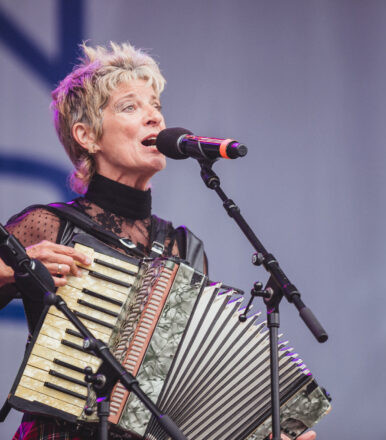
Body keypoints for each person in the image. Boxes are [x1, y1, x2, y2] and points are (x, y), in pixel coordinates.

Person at [0, 42, 317, 440]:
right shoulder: (48, 224)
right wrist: (13, 269)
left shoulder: (185, 248)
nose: (154, 117)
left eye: (156, 106)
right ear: (87, 136)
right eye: (130, 107)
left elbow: (193, 388)